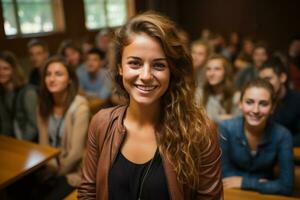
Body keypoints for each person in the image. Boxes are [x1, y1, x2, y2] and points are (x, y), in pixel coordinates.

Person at [78, 12, 223, 199]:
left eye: (159, 65)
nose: (146, 75)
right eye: (135, 63)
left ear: (172, 71)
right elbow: (88, 192)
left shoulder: (199, 131)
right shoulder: (101, 123)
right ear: (121, 67)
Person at [219, 78, 294, 195]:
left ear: (273, 107)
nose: (255, 110)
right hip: (231, 194)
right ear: (240, 104)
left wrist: (245, 182)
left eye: (263, 104)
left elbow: (286, 186)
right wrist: (262, 184)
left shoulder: (283, 135)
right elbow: (223, 175)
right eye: (249, 102)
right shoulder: (226, 128)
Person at [37, 56, 90, 199]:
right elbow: (44, 145)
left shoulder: (80, 106)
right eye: (48, 74)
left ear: (70, 79)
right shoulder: (43, 104)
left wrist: (56, 173)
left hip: (73, 170)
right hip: (51, 166)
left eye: (58, 74)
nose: (52, 79)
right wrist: (51, 168)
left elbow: (76, 153)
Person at [259, 58, 300, 146]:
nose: (264, 84)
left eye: (268, 79)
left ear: (282, 78)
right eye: (262, 80)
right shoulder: (259, 102)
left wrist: (279, 143)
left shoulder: (297, 100)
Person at [0, 51, 38, 141]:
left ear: (14, 70)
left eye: (6, 69)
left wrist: (20, 144)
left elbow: (33, 126)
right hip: (10, 142)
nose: (1, 72)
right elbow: (5, 123)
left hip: (29, 143)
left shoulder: (28, 93)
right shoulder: (2, 92)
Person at [197, 54, 241, 123]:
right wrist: (218, 118)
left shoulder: (236, 97)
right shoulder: (199, 93)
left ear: (226, 72)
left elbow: (238, 123)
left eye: (217, 69)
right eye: (208, 69)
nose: (211, 73)